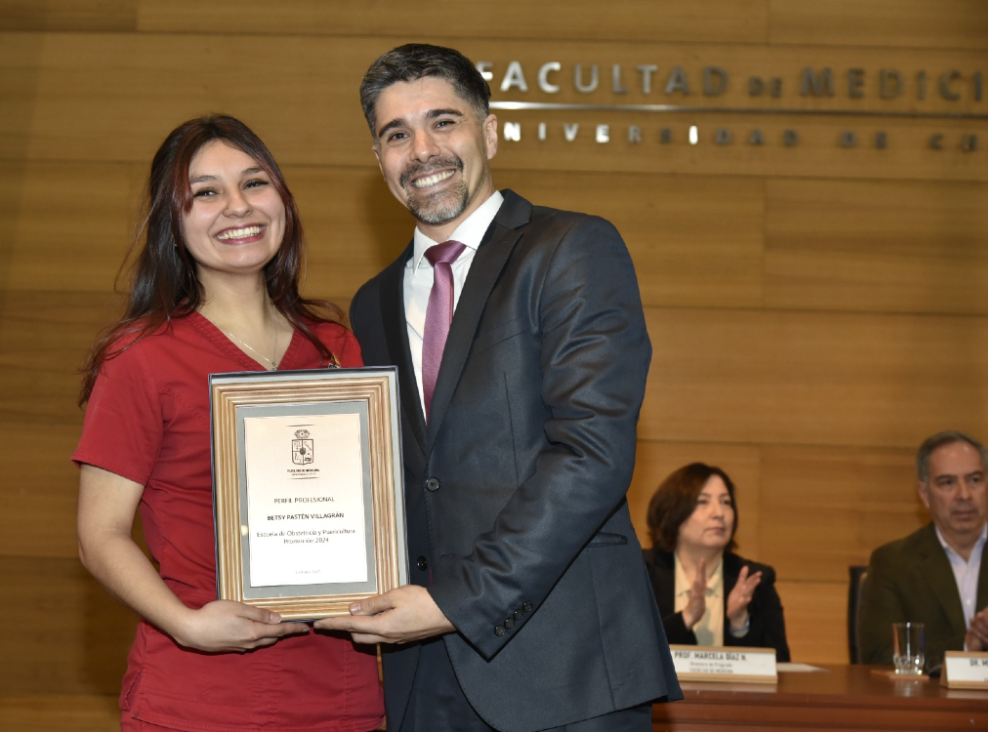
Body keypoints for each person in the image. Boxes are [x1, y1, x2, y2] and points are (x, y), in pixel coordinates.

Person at [315, 43, 681, 732]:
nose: (422, 150)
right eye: (397, 134)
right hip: (420, 675)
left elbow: (590, 454)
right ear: (379, 159)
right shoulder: (371, 302)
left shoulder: (572, 250)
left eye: (443, 122)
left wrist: (457, 600)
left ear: (489, 131)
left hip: (564, 669)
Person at [74, 115, 384, 731]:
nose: (237, 207)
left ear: (283, 204)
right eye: (206, 192)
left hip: (342, 693)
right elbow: (100, 534)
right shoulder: (142, 357)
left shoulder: (335, 348)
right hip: (199, 694)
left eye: (255, 183)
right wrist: (187, 624)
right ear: (174, 220)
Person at [859, 430, 988, 670]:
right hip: (928, 704)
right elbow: (880, 657)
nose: (964, 495)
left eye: (974, 480)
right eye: (948, 483)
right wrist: (968, 645)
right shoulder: (894, 563)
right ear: (924, 494)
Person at [643, 463, 791, 661]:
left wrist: (740, 624)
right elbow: (626, 654)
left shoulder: (754, 580)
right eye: (702, 502)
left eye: (726, 502)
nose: (719, 513)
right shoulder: (641, 572)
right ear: (671, 512)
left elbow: (780, 663)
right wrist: (686, 617)